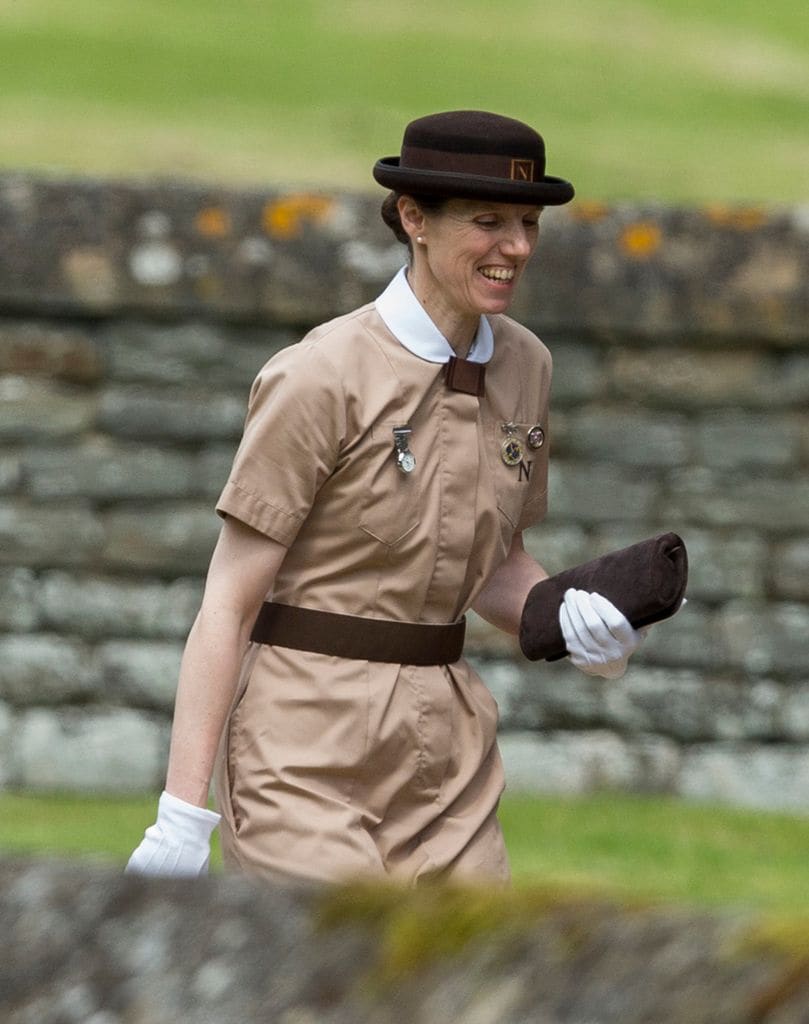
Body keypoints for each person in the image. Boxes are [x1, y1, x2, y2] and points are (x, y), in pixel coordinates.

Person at [126, 110, 645, 885]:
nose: (516, 248)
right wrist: (180, 812)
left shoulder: (527, 367)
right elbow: (228, 602)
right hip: (301, 749)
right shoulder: (317, 376)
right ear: (413, 219)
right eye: (488, 221)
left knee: (472, 995)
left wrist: (567, 618)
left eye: (528, 223)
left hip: (451, 757)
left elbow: (495, 563)